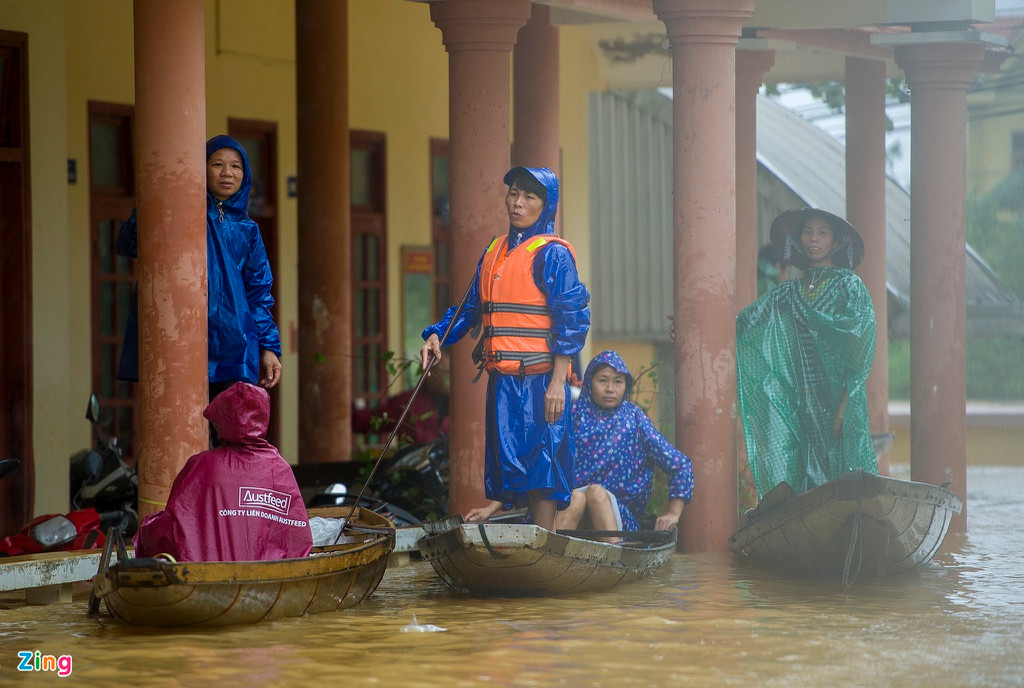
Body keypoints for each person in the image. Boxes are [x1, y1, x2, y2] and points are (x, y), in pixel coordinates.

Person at [420, 167, 590, 531]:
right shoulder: (494, 251)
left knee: (543, 467)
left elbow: (572, 320)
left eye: (529, 197)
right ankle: (528, 541)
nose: (518, 203)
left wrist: (558, 382)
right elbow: (470, 308)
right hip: (504, 381)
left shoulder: (553, 255)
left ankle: (542, 542)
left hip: (541, 380)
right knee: (511, 464)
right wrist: (437, 336)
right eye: (513, 193)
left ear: (547, 205)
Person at [116, 135, 282, 395]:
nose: (227, 173)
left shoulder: (248, 230)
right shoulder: (181, 211)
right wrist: (160, 196)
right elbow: (130, 244)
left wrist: (269, 347)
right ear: (201, 169)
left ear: (245, 174)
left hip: (236, 349)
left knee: (229, 421)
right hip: (182, 338)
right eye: (217, 164)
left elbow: (258, 293)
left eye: (236, 166)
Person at [736, 208, 877, 498]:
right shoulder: (789, 293)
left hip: (841, 396)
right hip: (804, 398)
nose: (814, 239)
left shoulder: (849, 286)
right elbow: (744, 324)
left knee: (848, 474)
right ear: (799, 239)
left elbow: (861, 348)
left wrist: (846, 404)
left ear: (836, 242)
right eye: (808, 232)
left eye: (822, 233)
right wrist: (692, 327)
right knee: (807, 475)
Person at [134, 382, 312, 562]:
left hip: (207, 576)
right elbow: (298, 541)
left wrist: (147, 531)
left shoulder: (202, 465)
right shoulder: (280, 468)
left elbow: (173, 529)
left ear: (222, 422)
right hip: (273, 576)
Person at [553, 351, 694, 540]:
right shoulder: (573, 414)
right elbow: (547, 459)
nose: (610, 389)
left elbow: (680, 465)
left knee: (596, 493)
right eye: (602, 380)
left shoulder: (635, 419)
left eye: (617, 382)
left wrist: (673, 514)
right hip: (570, 509)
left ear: (626, 385)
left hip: (619, 520)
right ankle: (552, 553)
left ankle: (614, 553)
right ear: (589, 382)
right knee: (576, 498)